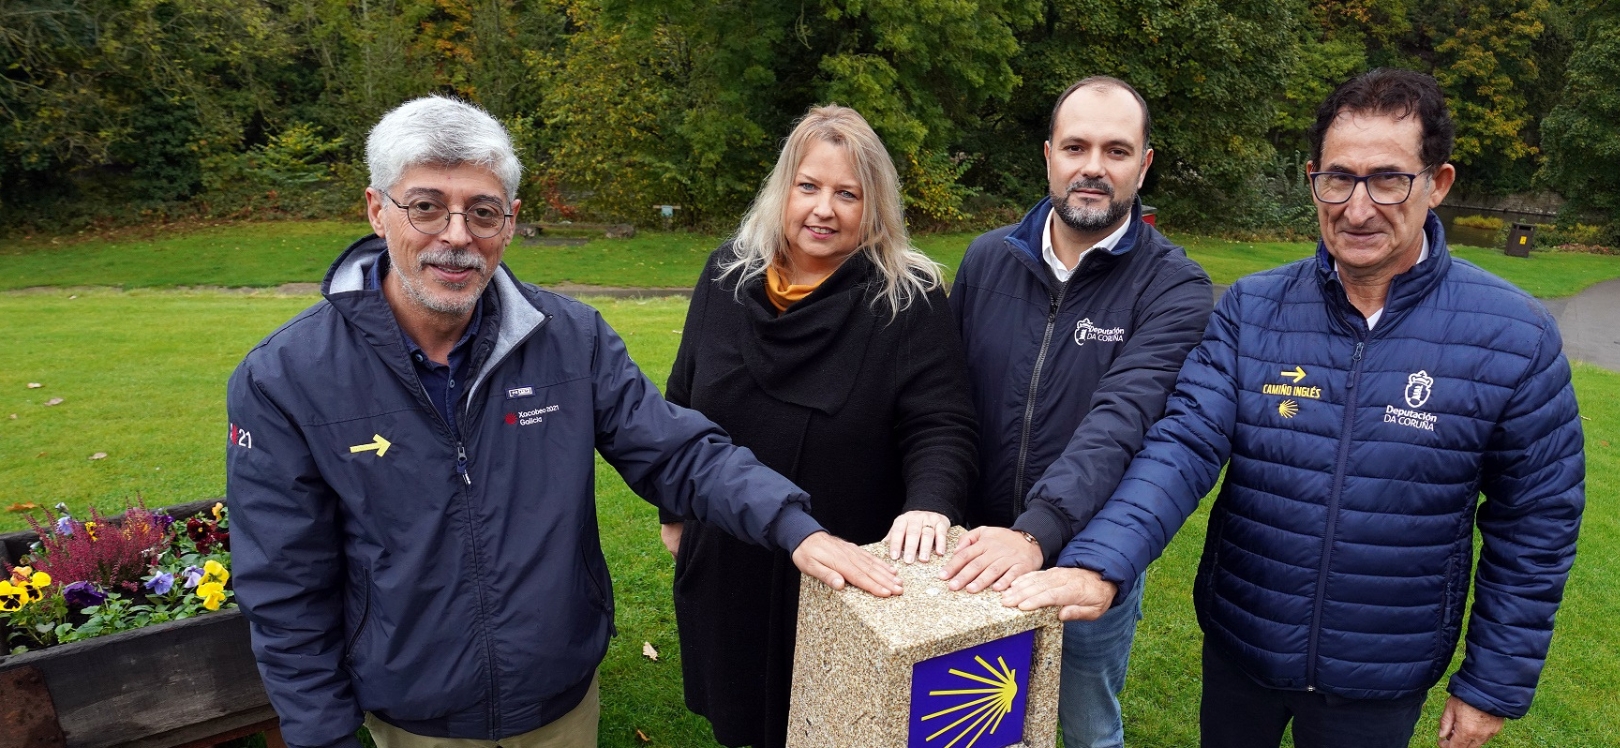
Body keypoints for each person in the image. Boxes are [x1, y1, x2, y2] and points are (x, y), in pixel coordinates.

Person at [224, 95, 902, 748]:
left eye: (482, 212)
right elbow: (285, 586)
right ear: (378, 210)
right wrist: (321, 734)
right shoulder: (286, 376)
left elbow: (675, 452)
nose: (457, 237)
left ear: (510, 221)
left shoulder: (569, 339)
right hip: (413, 718)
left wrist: (792, 525)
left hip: (559, 708)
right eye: (426, 207)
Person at [1004, 69, 1585, 748]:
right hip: (1241, 649)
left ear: (1439, 183)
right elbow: (1182, 444)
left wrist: (1491, 683)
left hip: (1379, 676)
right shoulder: (1253, 309)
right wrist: (1103, 560)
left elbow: (1536, 524)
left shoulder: (1513, 336)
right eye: (1338, 178)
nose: (1358, 207)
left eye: (1388, 179)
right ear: (1314, 180)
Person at [656, 104, 979, 748]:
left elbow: (942, 424)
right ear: (784, 189)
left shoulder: (906, 297)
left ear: (875, 205)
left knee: (837, 720)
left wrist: (929, 506)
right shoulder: (728, 275)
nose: (823, 209)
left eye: (847, 194)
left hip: (846, 561)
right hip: (731, 553)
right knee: (743, 715)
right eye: (808, 187)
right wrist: (674, 512)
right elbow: (681, 403)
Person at [938, 76, 1213, 748]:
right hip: (974, 548)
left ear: (1144, 164)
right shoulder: (987, 258)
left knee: (1086, 729)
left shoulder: (1175, 286)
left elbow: (1122, 421)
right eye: (1076, 146)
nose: (1093, 166)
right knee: (961, 719)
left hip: (1087, 556)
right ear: (1048, 155)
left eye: (1116, 150)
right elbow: (945, 402)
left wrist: (1037, 534)